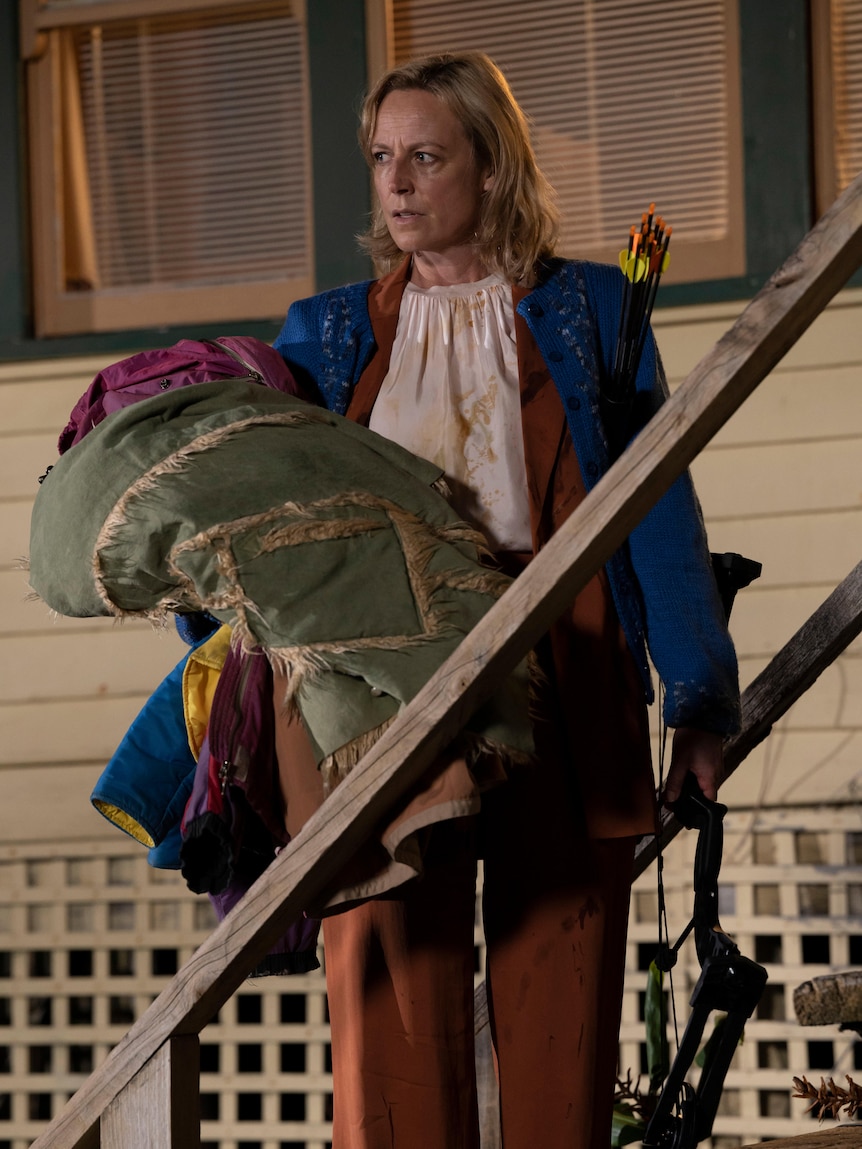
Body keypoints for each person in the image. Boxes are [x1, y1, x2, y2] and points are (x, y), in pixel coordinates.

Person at [273, 51, 740, 1149]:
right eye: (381, 158)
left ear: (490, 168)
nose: (395, 183)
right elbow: (274, 524)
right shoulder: (324, 331)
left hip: (565, 665)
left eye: (425, 156)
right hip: (386, 686)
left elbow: (654, 503)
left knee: (558, 998)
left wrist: (699, 702)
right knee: (390, 989)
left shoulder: (591, 308)